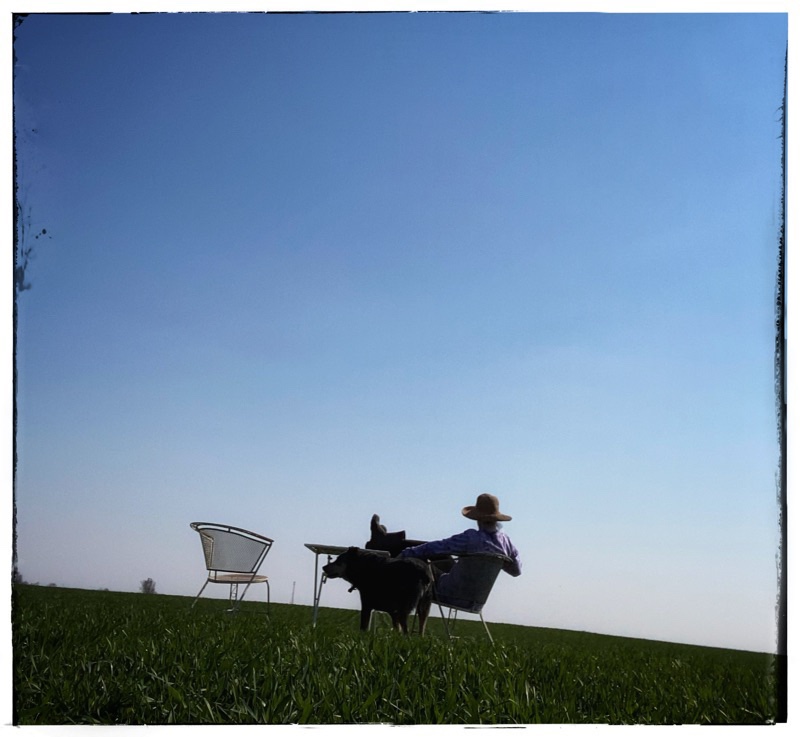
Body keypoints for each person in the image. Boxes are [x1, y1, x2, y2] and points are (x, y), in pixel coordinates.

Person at [398, 493, 521, 607]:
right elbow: (516, 571)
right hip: (477, 601)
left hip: (450, 593)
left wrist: (405, 553)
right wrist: (495, 561)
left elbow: (438, 547)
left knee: (420, 567)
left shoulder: (470, 537)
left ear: (478, 518)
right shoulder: (506, 542)